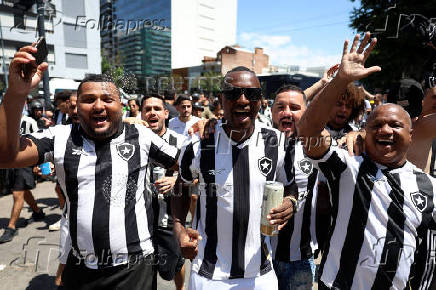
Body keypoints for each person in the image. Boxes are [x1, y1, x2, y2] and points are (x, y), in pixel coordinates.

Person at [0, 44, 179, 290]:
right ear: (77, 106)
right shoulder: (60, 136)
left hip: (134, 267)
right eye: (88, 100)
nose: (98, 106)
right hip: (81, 266)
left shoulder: (140, 135)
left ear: (121, 105)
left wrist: (179, 197)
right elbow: (6, 157)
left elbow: (189, 165)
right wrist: (16, 94)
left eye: (108, 99)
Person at [298, 32, 436, 290]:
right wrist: (340, 81)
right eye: (377, 125)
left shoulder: (429, 188)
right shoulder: (347, 166)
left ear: (411, 134)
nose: (385, 131)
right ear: (364, 130)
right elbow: (308, 132)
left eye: (395, 125)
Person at [172, 66, 296, 290]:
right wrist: (179, 228)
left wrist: (291, 203)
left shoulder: (277, 143)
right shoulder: (199, 144)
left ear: (261, 100)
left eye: (252, 94)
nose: (242, 100)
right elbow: (181, 186)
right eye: (232, 93)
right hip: (208, 275)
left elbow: (290, 187)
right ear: (220, 99)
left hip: (260, 274)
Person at [269, 84, 319, 290]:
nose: (287, 112)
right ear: (271, 112)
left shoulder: (318, 147)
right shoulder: (256, 144)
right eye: (280, 107)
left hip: (300, 258)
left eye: (295, 108)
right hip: (259, 258)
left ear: (306, 112)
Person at [140, 93, 187, 290]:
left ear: (166, 114)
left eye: (157, 109)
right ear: (141, 114)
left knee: (175, 263)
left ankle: (180, 288)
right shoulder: (133, 140)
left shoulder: (181, 141)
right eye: (147, 109)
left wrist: (176, 178)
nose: (152, 112)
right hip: (140, 217)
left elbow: (196, 173)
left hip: (169, 215)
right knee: (144, 266)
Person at [0, 113, 45, 243]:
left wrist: (39, 163)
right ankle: (37, 212)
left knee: (17, 193)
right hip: (11, 162)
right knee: (23, 191)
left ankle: (11, 227)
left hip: (25, 162)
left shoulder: (29, 121)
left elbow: (40, 141)